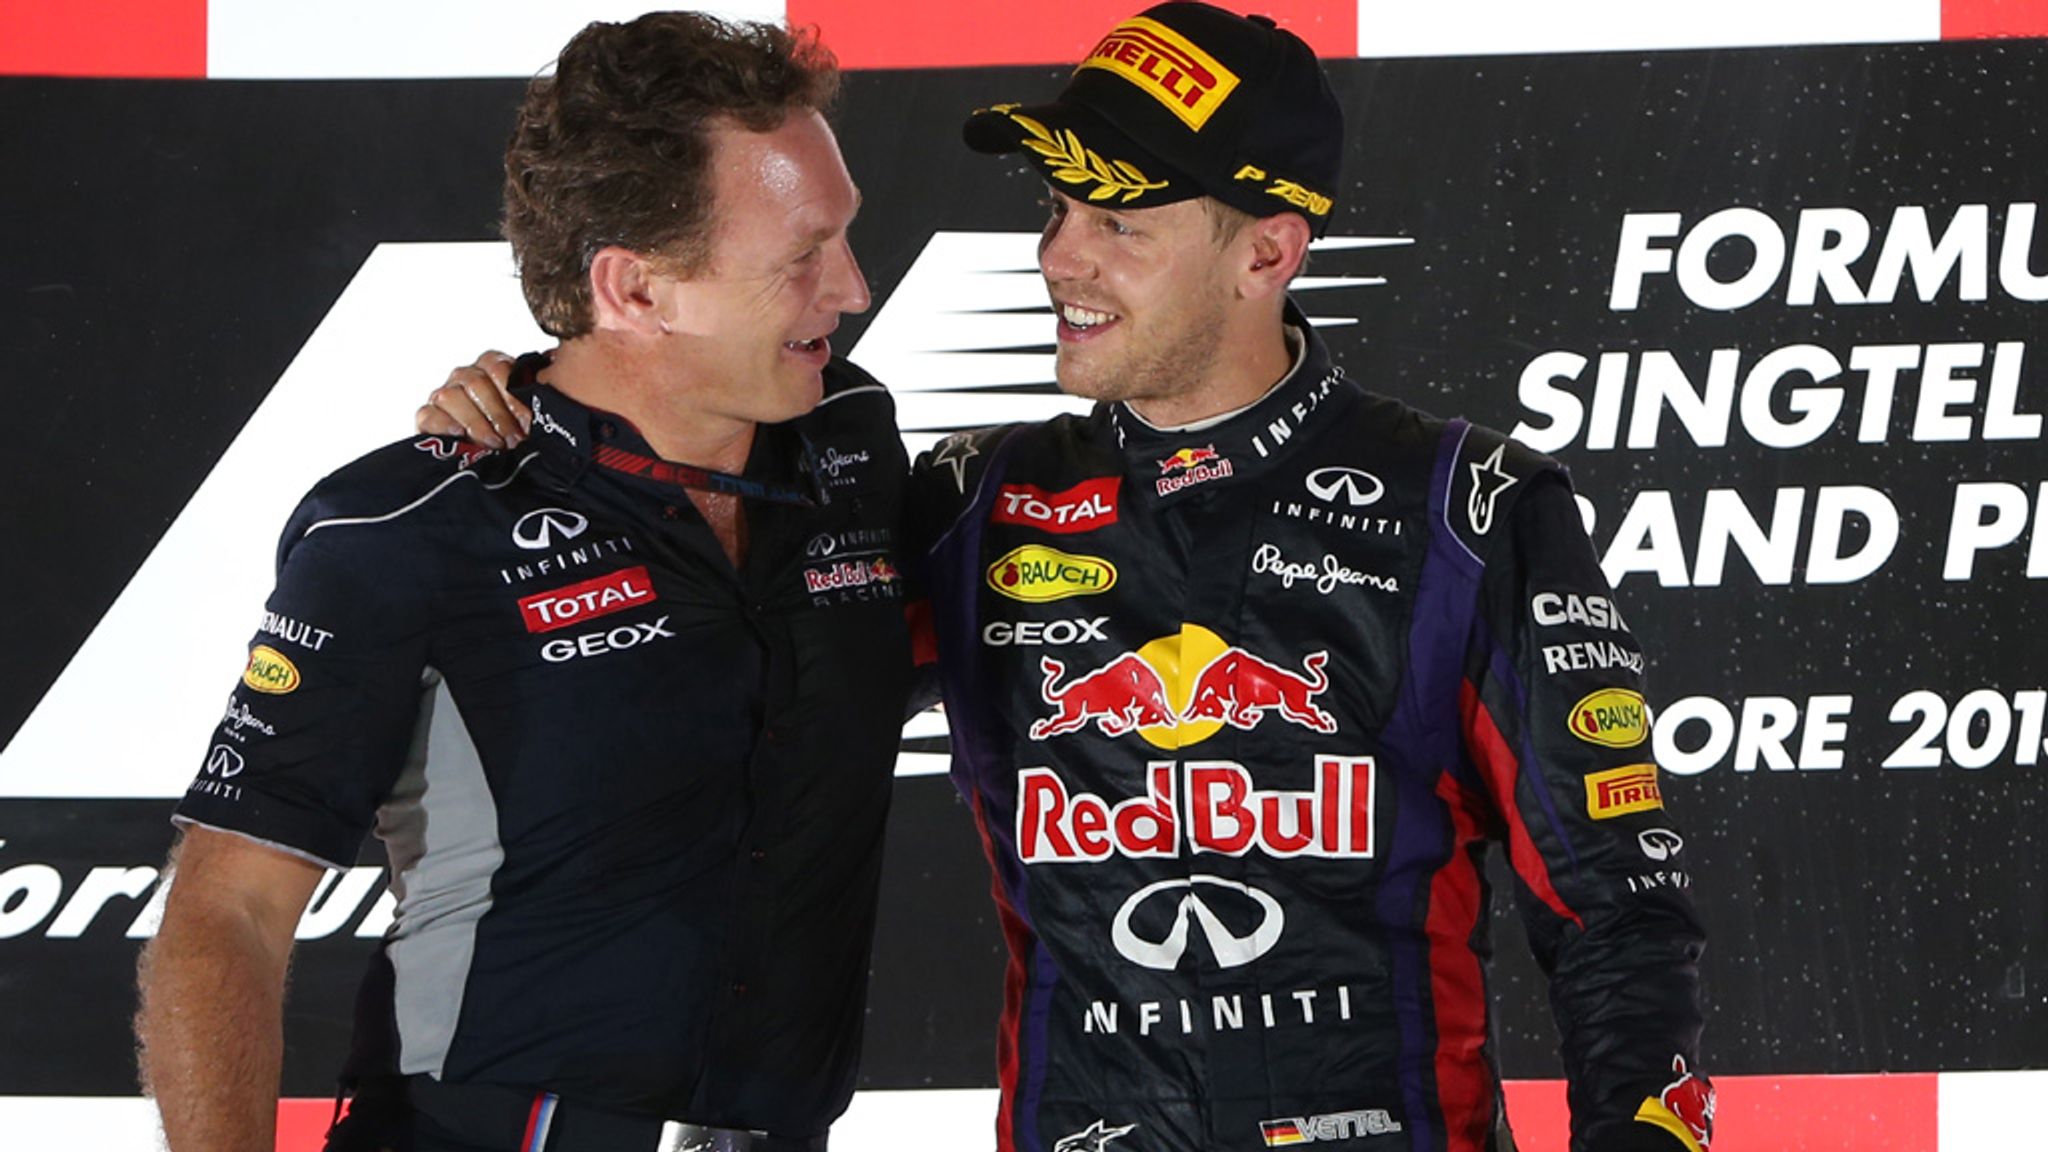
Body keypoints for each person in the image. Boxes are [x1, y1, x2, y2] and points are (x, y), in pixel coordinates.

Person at [423, 6, 1713, 1151]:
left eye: (1117, 224)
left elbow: (1618, 911)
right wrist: (547, 409)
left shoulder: (1469, 512)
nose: (1058, 256)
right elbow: (721, 640)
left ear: (1266, 252)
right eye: (1055, 209)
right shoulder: (969, 505)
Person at [134, 13, 909, 1152]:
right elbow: (228, 912)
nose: (852, 287)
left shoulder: (853, 441)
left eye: (843, 236)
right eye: (803, 255)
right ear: (633, 289)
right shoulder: (408, 526)